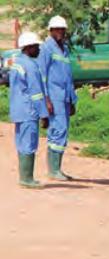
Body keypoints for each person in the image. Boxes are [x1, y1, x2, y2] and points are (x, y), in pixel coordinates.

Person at [38, 15, 78, 181]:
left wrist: (72, 99)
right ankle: (53, 170)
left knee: (63, 131)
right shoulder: (46, 48)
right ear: (51, 30)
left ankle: (57, 169)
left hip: (65, 97)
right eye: (57, 29)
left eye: (63, 30)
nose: (60, 32)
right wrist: (45, 100)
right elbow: (42, 76)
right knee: (58, 130)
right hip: (53, 97)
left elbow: (68, 76)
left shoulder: (65, 48)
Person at [9, 32, 49, 189]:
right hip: (29, 110)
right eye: (36, 46)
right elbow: (36, 93)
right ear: (29, 47)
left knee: (21, 142)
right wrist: (44, 114)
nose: (38, 49)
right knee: (29, 142)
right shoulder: (31, 66)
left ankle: (24, 176)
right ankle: (27, 178)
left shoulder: (16, 63)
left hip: (17, 109)